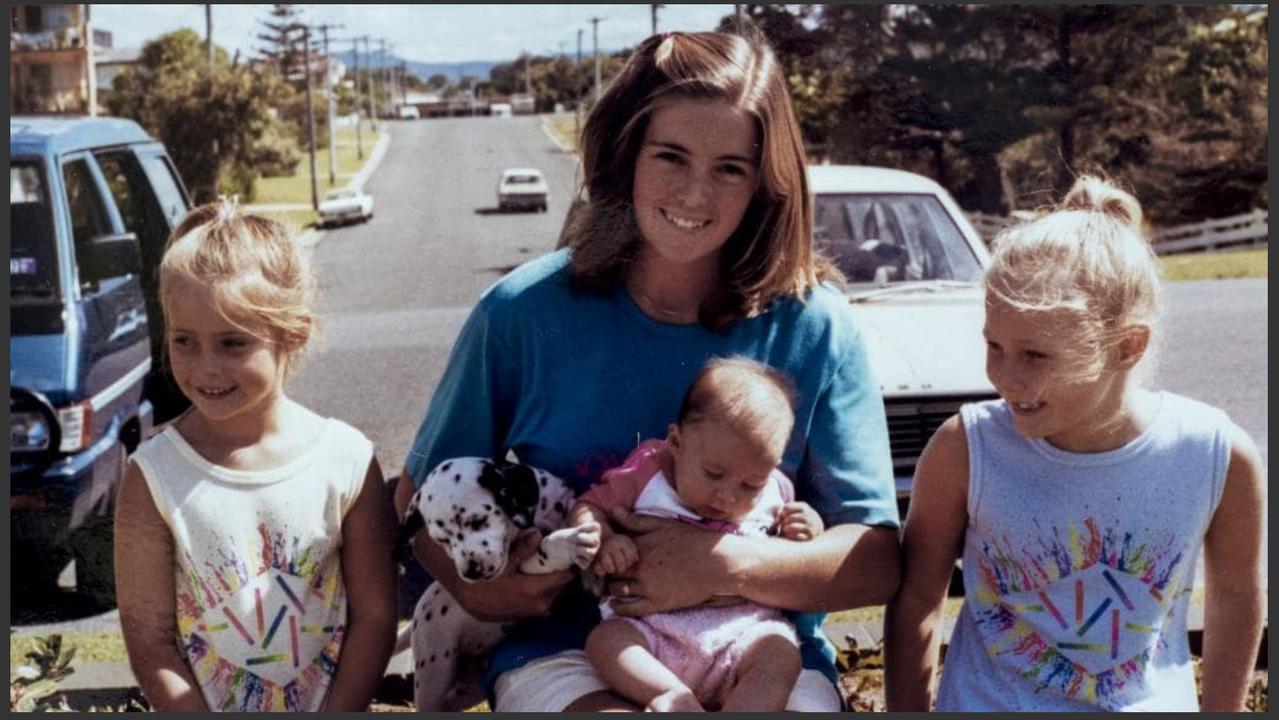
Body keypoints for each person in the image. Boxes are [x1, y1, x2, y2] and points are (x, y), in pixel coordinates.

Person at [394, 29, 900, 712]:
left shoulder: (816, 325)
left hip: (758, 650)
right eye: (670, 156)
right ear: (624, 153)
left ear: (766, 182)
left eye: (730, 168)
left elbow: (872, 559)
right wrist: (471, 584)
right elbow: (418, 503)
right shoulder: (521, 312)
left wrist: (722, 566)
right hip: (569, 651)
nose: (695, 194)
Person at [884, 176, 1266, 712]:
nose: (1004, 378)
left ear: (1127, 346)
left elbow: (1235, 597)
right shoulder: (965, 448)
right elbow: (918, 600)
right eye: (994, 346)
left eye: (1035, 356)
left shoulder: (1216, 455)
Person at [115, 200, 398, 712]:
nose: (206, 367)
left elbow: (375, 617)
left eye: (232, 342)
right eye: (184, 341)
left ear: (293, 332)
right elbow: (150, 640)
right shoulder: (153, 475)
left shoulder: (349, 462)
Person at [572, 357, 826, 711]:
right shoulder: (648, 472)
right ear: (676, 442)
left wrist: (807, 526)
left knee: (780, 655)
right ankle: (672, 698)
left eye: (750, 484)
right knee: (605, 642)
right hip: (650, 629)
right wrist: (605, 539)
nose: (728, 496)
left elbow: (795, 555)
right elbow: (589, 505)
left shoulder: (776, 490)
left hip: (742, 631)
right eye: (713, 473)